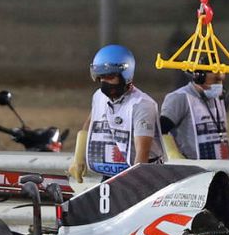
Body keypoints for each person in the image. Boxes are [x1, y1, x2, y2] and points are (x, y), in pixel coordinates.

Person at [68, 44, 164, 182]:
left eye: (110, 76)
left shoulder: (142, 105)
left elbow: (142, 154)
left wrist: (134, 184)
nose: (104, 82)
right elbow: (89, 124)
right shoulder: (99, 96)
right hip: (113, 172)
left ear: (126, 75)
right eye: (101, 77)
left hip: (143, 174)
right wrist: (78, 158)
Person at [159, 71, 229, 160]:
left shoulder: (218, 97)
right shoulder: (180, 98)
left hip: (219, 169)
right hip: (194, 173)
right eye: (216, 80)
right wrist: (174, 155)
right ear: (199, 77)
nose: (220, 85)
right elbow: (161, 129)